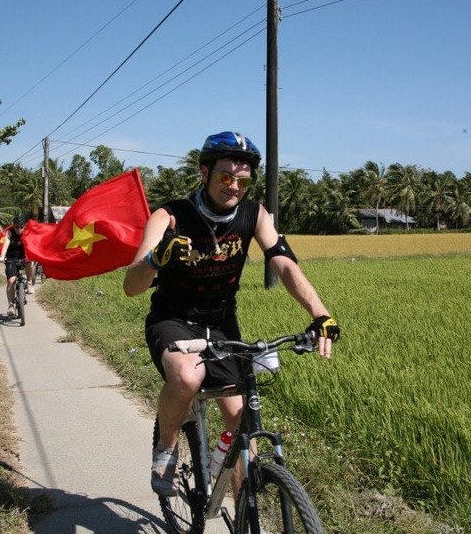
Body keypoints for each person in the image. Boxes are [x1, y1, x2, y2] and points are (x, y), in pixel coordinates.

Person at [123, 131, 341, 496]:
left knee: (243, 420)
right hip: (172, 319)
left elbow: (284, 264)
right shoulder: (169, 216)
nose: (234, 187)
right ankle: (165, 447)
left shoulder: (255, 214)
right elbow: (131, 285)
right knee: (188, 378)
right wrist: (156, 258)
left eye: (243, 180)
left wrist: (320, 314)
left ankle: (245, 511)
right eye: (225, 177)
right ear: (204, 172)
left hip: (221, 323)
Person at [0, 214, 35, 317]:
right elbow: (6, 244)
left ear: (25, 226)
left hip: (24, 256)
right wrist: (2, 256)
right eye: (16, 227)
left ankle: (29, 283)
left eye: (21, 227)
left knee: (30, 263)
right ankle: (10, 305)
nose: (19, 229)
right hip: (11, 259)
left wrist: (34, 255)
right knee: (11, 281)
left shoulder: (28, 232)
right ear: (13, 225)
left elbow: (33, 244)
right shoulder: (10, 232)